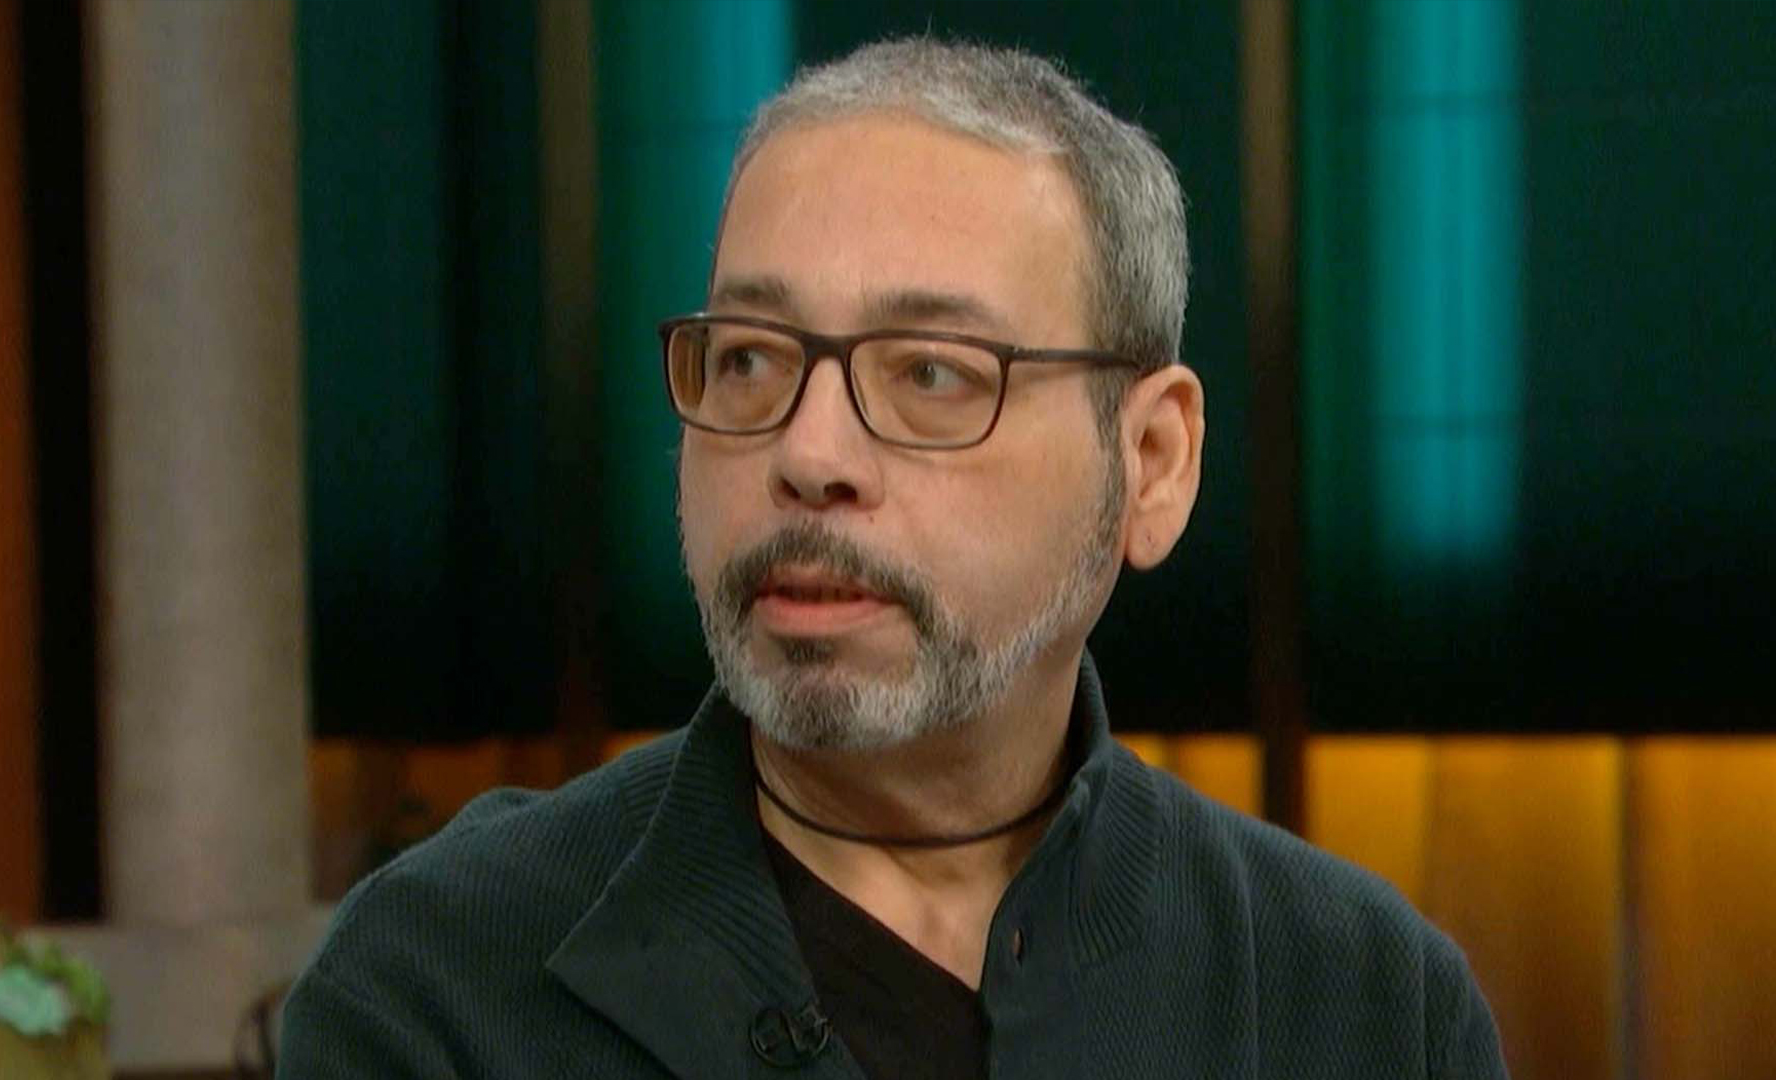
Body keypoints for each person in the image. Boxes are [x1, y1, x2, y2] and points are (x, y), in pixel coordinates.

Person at [278, 38, 1507, 1080]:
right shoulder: (441, 988)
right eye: (750, 360)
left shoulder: (1360, 1002)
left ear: (1152, 462)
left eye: (930, 373)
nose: (809, 455)